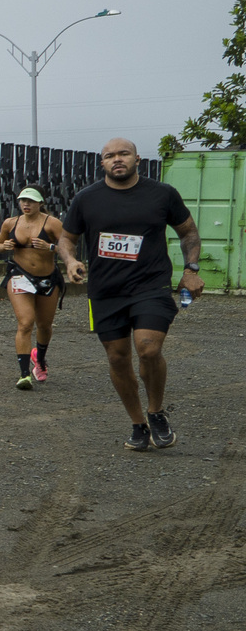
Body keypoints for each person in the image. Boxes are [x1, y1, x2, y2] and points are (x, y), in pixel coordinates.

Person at [58, 139, 202, 450]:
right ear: (102, 163)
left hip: (151, 286)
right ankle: (138, 424)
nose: (117, 159)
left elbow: (188, 231)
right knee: (117, 357)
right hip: (105, 290)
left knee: (148, 349)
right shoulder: (86, 199)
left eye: (124, 154)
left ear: (137, 158)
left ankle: (156, 411)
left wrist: (191, 269)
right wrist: (70, 260)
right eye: (110, 156)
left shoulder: (162, 194)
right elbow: (66, 239)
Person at [0, 187, 64, 390]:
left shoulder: (52, 223)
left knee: (44, 325)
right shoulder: (11, 223)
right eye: (23, 200)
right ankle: (24, 374)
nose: (26, 204)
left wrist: (50, 247)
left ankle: (39, 359)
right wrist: (4, 246)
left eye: (31, 201)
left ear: (40, 203)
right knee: (25, 322)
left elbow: (69, 247)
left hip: (47, 278)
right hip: (20, 275)